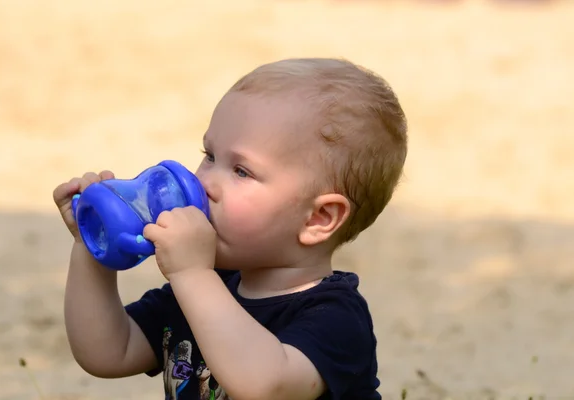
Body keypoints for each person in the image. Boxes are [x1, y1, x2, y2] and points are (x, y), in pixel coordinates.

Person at [53, 57, 408, 400]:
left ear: (318, 219)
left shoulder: (335, 317)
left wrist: (192, 275)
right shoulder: (209, 284)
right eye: (209, 155)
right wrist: (93, 246)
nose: (205, 181)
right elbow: (108, 353)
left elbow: (264, 385)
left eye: (241, 171)